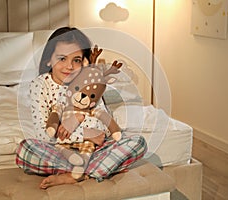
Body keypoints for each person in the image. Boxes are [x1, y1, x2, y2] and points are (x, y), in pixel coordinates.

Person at [16, 27, 147, 189]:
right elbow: (44, 135)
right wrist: (84, 133)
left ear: (84, 62)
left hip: (94, 151)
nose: (69, 66)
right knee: (26, 150)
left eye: (76, 60)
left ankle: (76, 174)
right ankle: (91, 172)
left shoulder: (89, 81)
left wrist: (79, 123)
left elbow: (102, 131)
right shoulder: (39, 85)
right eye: (62, 59)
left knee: (137, 142)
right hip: (59, 152)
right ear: (48, 60)